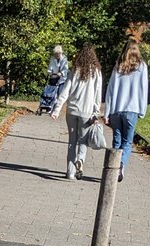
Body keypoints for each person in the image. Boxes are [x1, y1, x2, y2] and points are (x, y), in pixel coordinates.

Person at [51, 44, 102, 180]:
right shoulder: (96, 72)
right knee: (83, 140)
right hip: (86, 111)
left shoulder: (75, 70)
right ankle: (80, 159)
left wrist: (57, 109)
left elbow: (65, 90)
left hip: (72, 111)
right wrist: (96, 112)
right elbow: (98, 94)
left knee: (71, 142)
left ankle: (70, 172)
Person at [104, 40, 149, 182]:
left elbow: (110, 91)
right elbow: (143, 90)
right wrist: (142, 110)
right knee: (127, 142)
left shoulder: (118, 67)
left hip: (116, 109)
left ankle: (113, 168)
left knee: (116, 141)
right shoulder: (142, 67)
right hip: (132, 109)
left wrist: (107, 113)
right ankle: (121, 165)